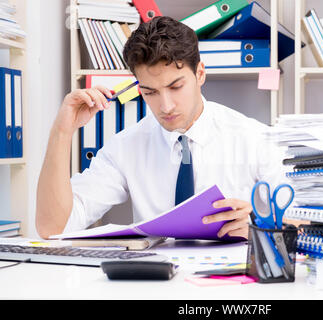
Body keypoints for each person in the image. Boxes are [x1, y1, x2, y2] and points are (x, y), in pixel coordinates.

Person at [35, 16, 284, 240]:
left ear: (200, 74)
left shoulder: (254, 138)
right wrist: (62, 131)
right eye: (150, 92)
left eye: (175, 87)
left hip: (231, 285)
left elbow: (309, 222)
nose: (165, 106)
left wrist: (262, 223)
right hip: (154, 285)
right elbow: (53, 228)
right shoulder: (126, 147)